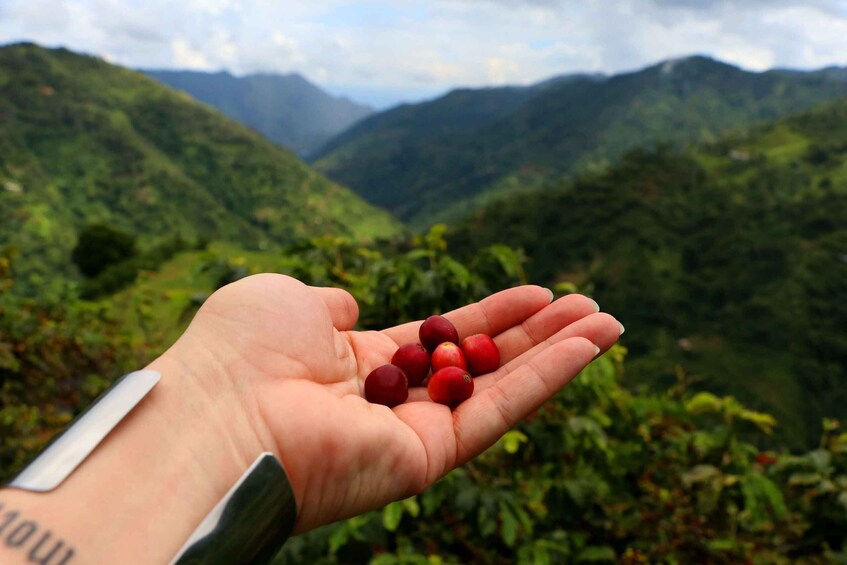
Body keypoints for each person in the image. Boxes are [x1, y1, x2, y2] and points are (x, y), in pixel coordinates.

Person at [0, 274, 623, 564]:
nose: (448, 353)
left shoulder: (425, 369)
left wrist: (212, 418)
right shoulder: (429, 368)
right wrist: (225, 414)